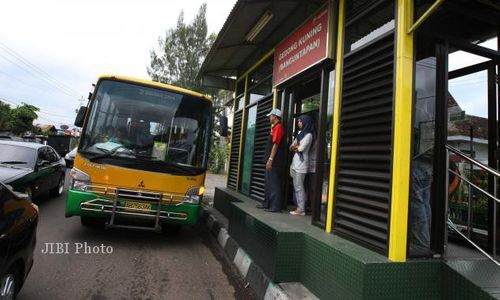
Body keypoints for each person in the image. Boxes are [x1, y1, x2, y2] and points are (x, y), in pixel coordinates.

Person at [257, 108, 286, 212]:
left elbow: (276, 144)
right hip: (271, 160)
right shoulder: (274, 128)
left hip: (275, 161)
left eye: (270, 116)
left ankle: (275, 206)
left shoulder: (279, 127)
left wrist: (270, 159)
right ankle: (267, 204)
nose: (269, 118)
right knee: (269, 182)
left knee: (274, 183)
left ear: (275, 116)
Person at [289, 114, 315, 216]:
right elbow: (291, 147)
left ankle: (301, 209)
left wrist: (295, 147)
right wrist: (295, 147)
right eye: (299, 121)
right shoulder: (300, 134)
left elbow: (300, 148)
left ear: (305, 122)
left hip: (302, 165)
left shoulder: (309, 135)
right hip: (295, 163)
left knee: (299, 187)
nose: (299, 123)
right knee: (296, 186)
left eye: (300, 121)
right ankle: (299, 207)